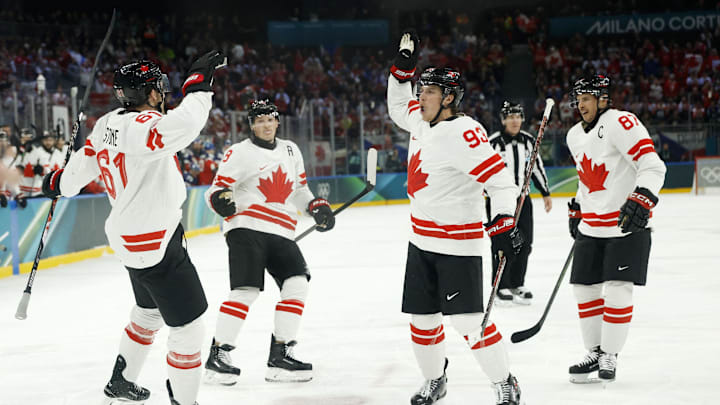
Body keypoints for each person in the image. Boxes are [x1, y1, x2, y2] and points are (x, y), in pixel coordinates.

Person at [41, 51, 227, 405]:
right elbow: (184, 126)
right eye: (158, 89)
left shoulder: (107, 122)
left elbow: (78, 172)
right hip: (154, 240)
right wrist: (199, 84)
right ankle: (185, 402)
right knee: (188, 328)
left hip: (129, 239)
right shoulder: (142, 126)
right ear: (148, 93)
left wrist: (57, 181)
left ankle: (121, 382)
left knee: (148, 311)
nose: (162, 94)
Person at [388, 30, 524, 405]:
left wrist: (502, 224)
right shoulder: (420, 121)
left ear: (448, 97)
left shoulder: (464, 132)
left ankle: (505, 383)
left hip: (456, 246)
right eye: (421, 89)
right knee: (422, 321)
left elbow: (501, 183)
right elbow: (398, 106)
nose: (420, 96)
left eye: (428, 91)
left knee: (468, 323)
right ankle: (435, 380)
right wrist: (402, 68)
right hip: (421, 243)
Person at [203, 99, 335, 385]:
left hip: (282, 231)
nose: (264, 125)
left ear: (277, 122)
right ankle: (218, 355)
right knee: (246, 291)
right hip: (246, 226)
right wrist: (220, 201)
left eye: (269, 120)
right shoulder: (239, 152)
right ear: (251, 125)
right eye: (258, 121)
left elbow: (299, 189)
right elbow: (217, 189)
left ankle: (280, 356)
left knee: (297, 283)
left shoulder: (291, 149)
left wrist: (316, 207)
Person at [565, 75, 666, 384]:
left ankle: (610, 353)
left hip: (625, 226)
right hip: (591, 227)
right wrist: (578, 206)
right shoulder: (572, 135)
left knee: (619, 288)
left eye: (588, 98)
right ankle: (595, 351)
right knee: (584, 288)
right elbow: (588, 179)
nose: (581, 104)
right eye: (578, 98)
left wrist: (643, 197)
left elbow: (652, 165)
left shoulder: (621, 122)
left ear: (603, 99)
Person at [487, 101, 552, 305]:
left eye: (518, 117)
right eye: (510, 117)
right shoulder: (493, 143)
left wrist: (545, 192)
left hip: (523, 200)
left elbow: (537, 168)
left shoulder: (529, 140)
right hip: (499, 201)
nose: (515, 121)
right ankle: (500, 285)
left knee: (523, 242)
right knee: (501, 242)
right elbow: (483, 170)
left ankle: (517, 283)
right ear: (503, 119)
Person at [20, 130, 60, 197]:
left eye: (50, 140)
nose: (48, 142)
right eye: (46, 140)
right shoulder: (17, 152)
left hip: (39, 191)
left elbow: (48, 171)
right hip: (21, 191)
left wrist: (42, 170)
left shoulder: (41, 152)